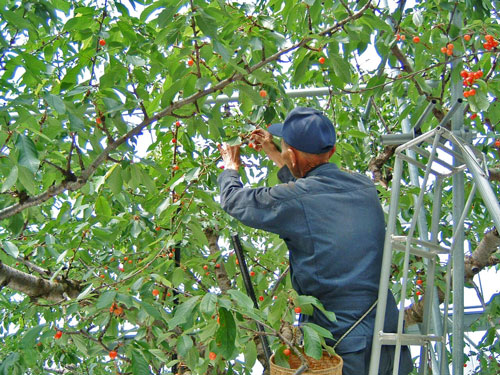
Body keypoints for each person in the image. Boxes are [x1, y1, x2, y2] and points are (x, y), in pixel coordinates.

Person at [217, 107, 413, 375]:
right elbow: (311, 187)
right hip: (386, 326)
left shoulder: (297, 199)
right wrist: (276, 153)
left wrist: (230, 167)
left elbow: (235, 201)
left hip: (342, 337)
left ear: (294, 156)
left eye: (286, 149)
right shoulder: (364, 187)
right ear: (330, 152)